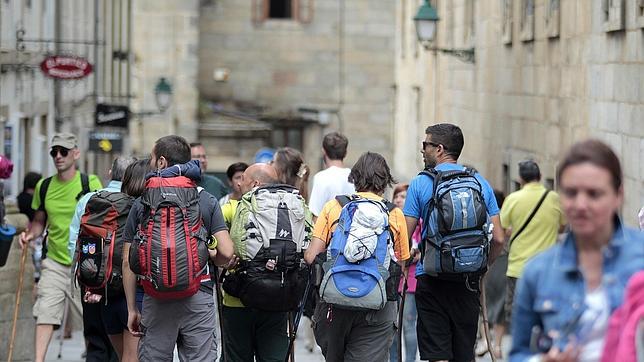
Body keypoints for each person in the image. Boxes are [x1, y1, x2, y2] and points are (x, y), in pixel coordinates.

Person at [510, 139, 644, 362]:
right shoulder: (537, 272)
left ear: (618, 196)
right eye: (571, 193)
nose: (581, 204)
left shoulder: (639, 256)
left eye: (594, 194)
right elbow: (518, 353)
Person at [122, 135, 234, 361]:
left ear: (162, 162)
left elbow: (127, 261)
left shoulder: (143, 201)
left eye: (152, 159)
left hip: (156, 295)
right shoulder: (206, 199)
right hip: (198, 295)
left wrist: (132, 308)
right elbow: (227, 252)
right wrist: (208, 253)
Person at [403, 123, 505, 362]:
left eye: (425, 145)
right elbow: (499, 238)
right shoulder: (479, 182)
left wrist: (404, 259)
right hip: (467, 281)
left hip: (431, 279)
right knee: (463, 352)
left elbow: (403, 238)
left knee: (437, 353)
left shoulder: (420, 183)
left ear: (439, 149)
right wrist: (484, 265)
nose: (422, 150)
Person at [304, 151, 411, 362]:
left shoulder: (334, 207)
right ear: (385, 181)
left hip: (334, 303)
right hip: (377, 303)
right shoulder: (394, 214)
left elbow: (312, 256)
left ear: (355, 178)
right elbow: (402, 260)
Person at [19, 133, 103, 362]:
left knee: (90, 320)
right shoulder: (43, 186)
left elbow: (102, 220)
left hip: (84, 263)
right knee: (45, 311)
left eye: (63, 151)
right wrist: (29, 235)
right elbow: (39, 221)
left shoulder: (91, 183)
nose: (58, 156)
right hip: (54, 261)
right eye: (54, 152)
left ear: (76, 153)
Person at [68, 157, 145, 362]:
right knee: (130, 358)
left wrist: (89, 282)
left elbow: (75, 241)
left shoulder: (91, 199)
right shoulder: (141, 208)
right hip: (133, 294)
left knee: (99, 348)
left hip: (100, 288)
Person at [221, 162, 299, 361]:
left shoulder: (234, 207)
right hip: (279, 297)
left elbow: (232, 250)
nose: (240, 185)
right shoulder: (293, 205)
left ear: (255, 184)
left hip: (239, 299)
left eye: (243, 181)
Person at [495, 160, 566, 357]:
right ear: (540, 177)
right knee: (548, 314)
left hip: (518, 267)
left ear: (520, 178)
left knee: (518, 317)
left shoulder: (514, 199)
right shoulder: (553, 198)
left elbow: (503, 228)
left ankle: (524, 353)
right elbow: (562, 226)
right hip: (549, 269)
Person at [389, 183, 421, 362]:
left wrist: (416, 254)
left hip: (411, 280)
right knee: (392, 324)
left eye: (403, 197)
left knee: (408, 323)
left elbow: (424, 249)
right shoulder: (390, 220)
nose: (399, 200)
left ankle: (409, 360)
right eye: (397, 196)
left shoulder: (419, 223)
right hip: (393, 278)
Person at [308, 132, 355, 218]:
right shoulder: (355, 177)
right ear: (345, 153)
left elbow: (315, 214)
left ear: (323, 151)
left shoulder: (321, 178)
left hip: (329, 229)